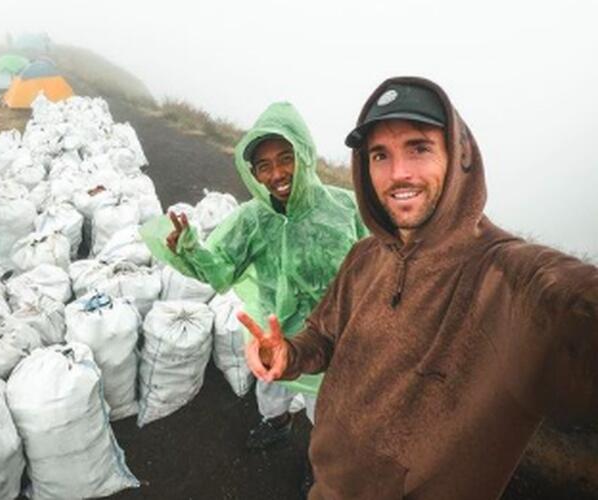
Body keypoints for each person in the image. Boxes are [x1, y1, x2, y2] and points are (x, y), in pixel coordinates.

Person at [238, 77, 598, 499]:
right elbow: (324, 336)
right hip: (329, 487)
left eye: (419, 147)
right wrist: (291, 354)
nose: (398, 173)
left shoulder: (510, 280)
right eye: (380, 155)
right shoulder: (365, 258)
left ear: (459, 155)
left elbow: (576, 309)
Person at [140, 102, 366, 476]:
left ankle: (322, 463)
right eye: (263, 166)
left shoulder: (346, 210)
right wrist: (190, 248)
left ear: (304, 154)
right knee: (272, 393)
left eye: (285, 158)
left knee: (327, 414)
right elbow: (221, 271)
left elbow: (381, 266)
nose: (276, 173)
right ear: (255, 174)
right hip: (271, 333)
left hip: (330, 341)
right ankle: (277, 425)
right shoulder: (251, 219)